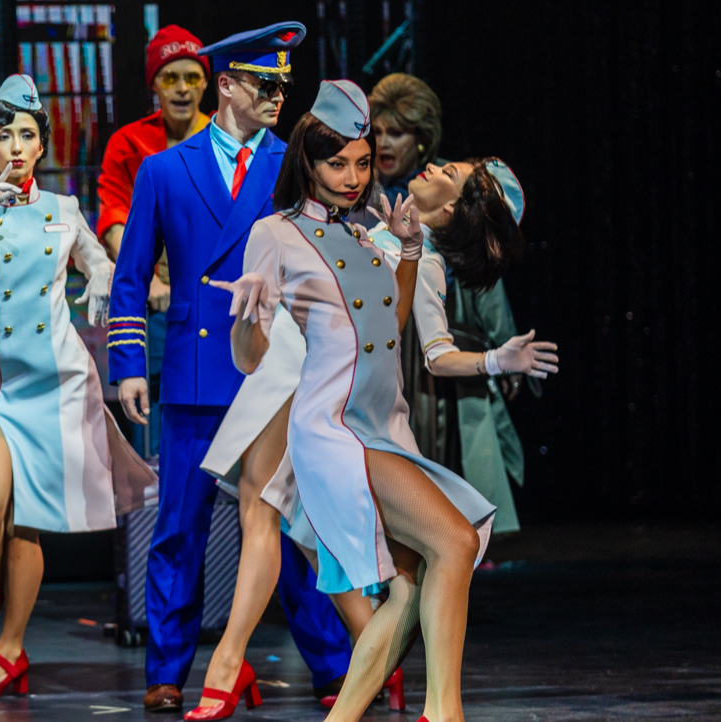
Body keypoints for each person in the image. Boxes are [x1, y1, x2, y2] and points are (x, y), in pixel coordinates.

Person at [214, 79, 523, 722]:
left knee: (408, 590)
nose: (352, 177)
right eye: (337, 164)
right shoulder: (275, 233)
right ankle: (445, 713)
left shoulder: (364, 233)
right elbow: (249, 359)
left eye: (360, 162)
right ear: (308, 163)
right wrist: (248, 318)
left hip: (383, 425)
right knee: (455, 541)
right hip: (334, 429)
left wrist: (407, 249)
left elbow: (392, 323)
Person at [107, 22, 354, 713]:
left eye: (284, 85)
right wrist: (129, 363)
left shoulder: (294, 166)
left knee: (292, 524)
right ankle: (167, 670)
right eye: (265, 83)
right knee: (179, 526)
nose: (279, 96)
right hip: (194, 368)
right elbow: (130, 277)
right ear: (226, 85)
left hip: (276, 368)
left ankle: (333, 664)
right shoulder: (164, 170)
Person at [0, 74, 154, 700]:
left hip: (58, 382)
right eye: (2, 134)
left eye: (27, 135)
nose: (15, 146)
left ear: (41, 146)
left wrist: (102, 278)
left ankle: (9, 652)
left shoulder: (63, 209)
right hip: (0, 384)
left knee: (26, 523)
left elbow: (100, 259)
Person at [368, 159, 558, 536]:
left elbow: (438, 357)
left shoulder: (426, 262)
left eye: (447, 173)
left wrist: (497, 360)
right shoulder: (383, 223)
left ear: (451, 207)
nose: (431, 166)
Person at [96, 24, 210, 450]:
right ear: (154, 85)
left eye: (192, 77)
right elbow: (114, 218)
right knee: (157, 431)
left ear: (207, 84)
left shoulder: (224, 141)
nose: (181, 88)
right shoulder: (129, 143)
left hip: (217, 301)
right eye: (170, 77)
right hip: (156, 303)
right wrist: (152, 282)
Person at [370, 73, 443, 206]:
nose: (382, 143)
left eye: (395, 133)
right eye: (376, 132)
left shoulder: (429, 191)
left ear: (422, 138)